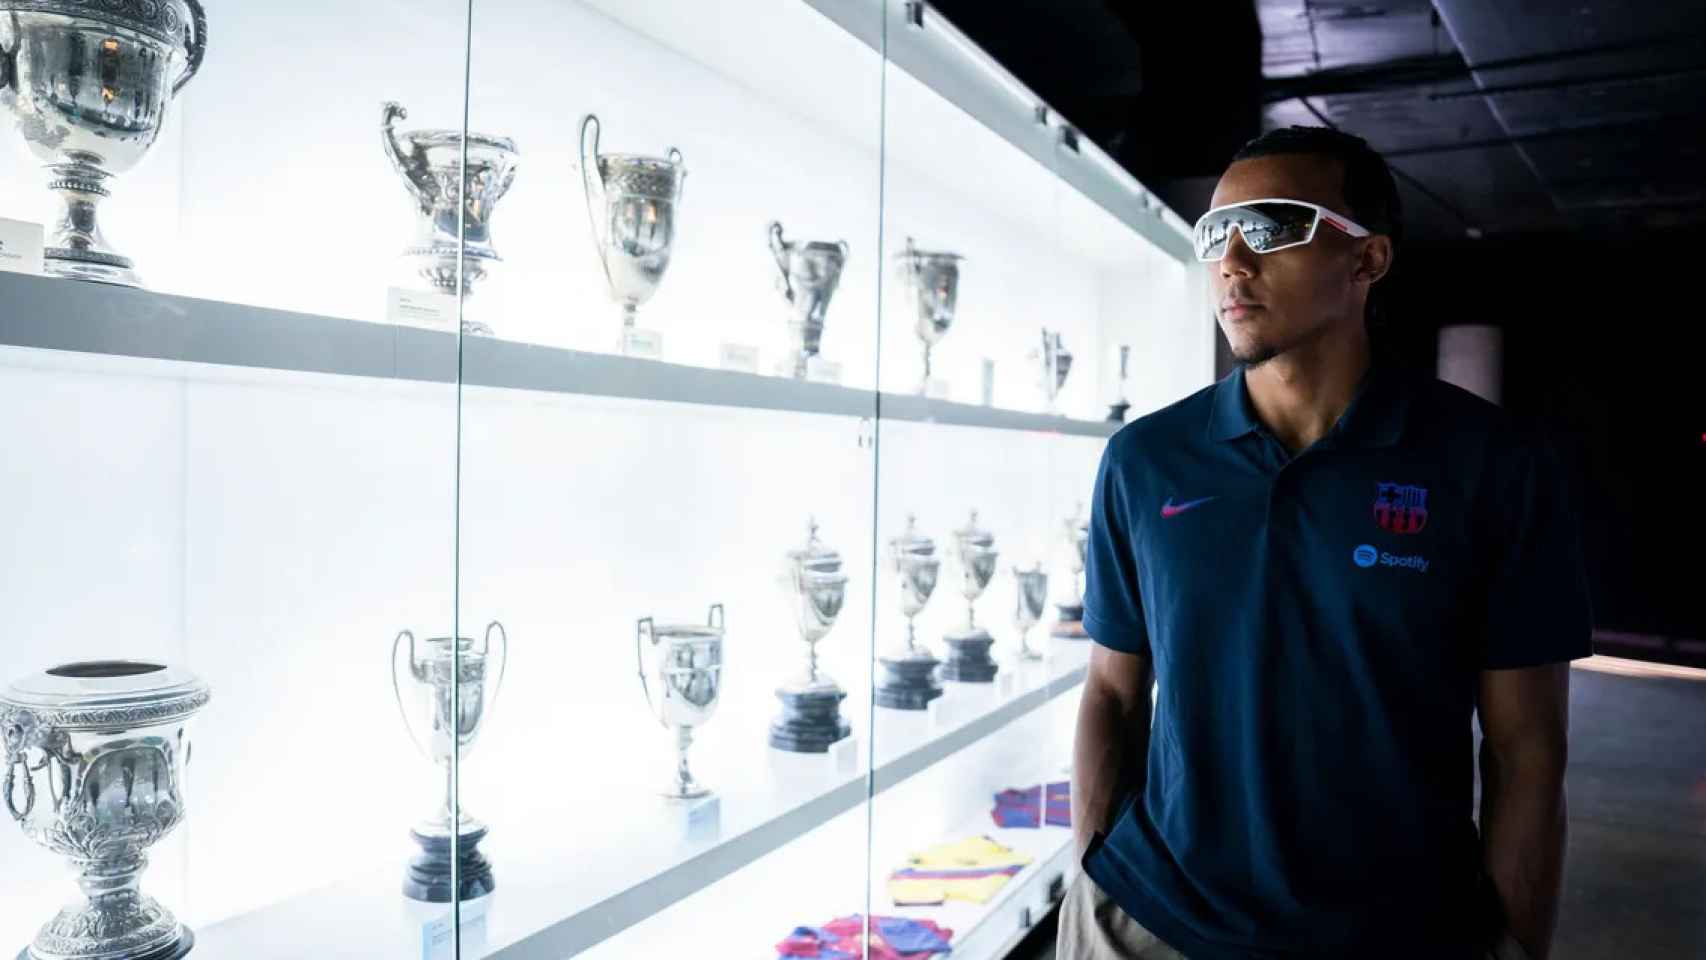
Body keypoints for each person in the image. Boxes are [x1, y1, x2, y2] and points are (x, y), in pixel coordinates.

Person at [1063, 126, 1592, 960]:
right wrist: (1093, 869)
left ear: (1369, 260)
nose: (1232, 261)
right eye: (1214, 234)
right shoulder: (1146, 460)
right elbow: (1113, 693)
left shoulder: (1493, 465)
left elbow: (1528, 748)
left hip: (1400, 932)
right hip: (1151, 922)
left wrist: (1516, 944)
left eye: (1273, 227)